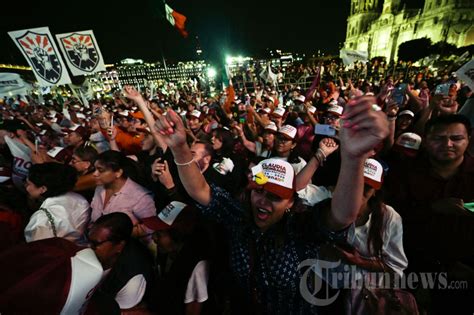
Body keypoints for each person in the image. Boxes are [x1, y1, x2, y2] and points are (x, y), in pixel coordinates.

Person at [153, 96, 389, 313]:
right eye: (259, 192)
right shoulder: (239, 217)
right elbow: (200, 190)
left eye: (275, 197)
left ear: (290, 202)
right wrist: (180, 148)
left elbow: (341, 216)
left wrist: (353, 158)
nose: (263, 201)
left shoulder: (300, 228)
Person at [142, 201, 212, 315]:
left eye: (159, 234)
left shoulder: (197, 265)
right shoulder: (166, 252)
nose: (154, 238)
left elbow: (193, 310)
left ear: (177, 236)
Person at [87, 212, 156, 313]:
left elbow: (118, 312)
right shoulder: (99, 253)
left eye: (95, 244)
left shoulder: (133, 278)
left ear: (119, 245)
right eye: (89, 240)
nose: (89, 247)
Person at [90, 150, 156, 240]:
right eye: (95, 169)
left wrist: (120, 235)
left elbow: (150, 227)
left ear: (118, 173)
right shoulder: (100, 189)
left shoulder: (140, 197)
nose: (95, 174)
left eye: (100, 170)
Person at [24, 163, 90, 244]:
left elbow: (39, 251)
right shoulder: (81, 200)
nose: (26, 187)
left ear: (43, 189)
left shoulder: (41, 219)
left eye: (29, 184)